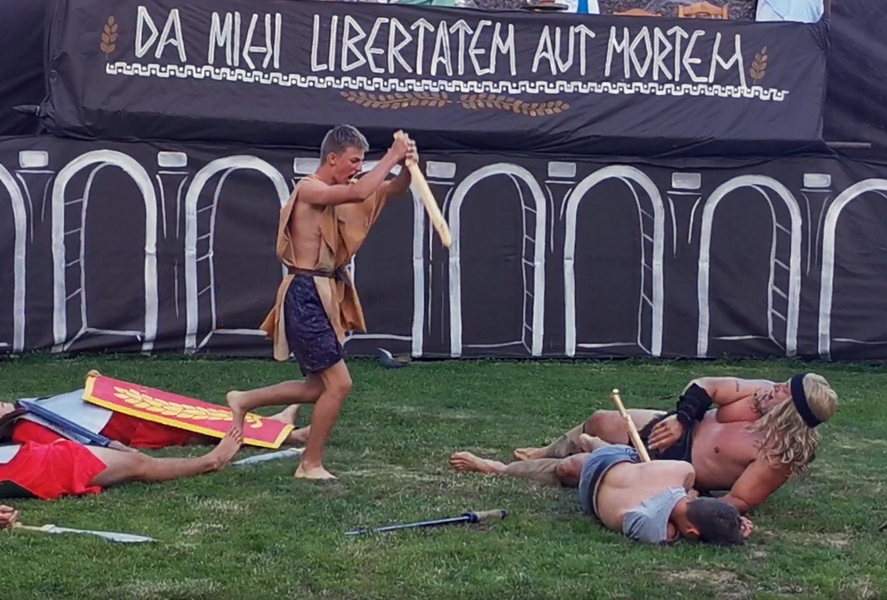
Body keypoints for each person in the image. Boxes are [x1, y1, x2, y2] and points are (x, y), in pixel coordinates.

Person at [226, 124, 417, 480]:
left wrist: (406, 166)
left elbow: (392, 190)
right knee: (339, 384)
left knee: (318, 387)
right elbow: (361, 191)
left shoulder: (342, 190)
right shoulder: (310, 189)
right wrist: (391, 156)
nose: (358, 167)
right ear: (332, 158)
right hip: (305, 294)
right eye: (353, 160)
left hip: (324, 293)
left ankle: (244, 400)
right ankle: (309, 464)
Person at [450, 373, 838, 513]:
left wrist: (686, 506)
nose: (775, 388)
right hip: (679, 430)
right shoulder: (761, 394)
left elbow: (739, 500)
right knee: (601, 420)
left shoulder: (778, 455)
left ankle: (499, 469)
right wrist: (683, 419)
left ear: (791, 412)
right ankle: (550, 448)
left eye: (784, 392)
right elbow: (706, 385)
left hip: (672, 469)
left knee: (573, 469)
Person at [0, 429, 243, 528]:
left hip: (46, 460)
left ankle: (204, 453)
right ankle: (210, 462)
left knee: (135, 461)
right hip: (52, 469)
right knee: (140, 465)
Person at [0, 391, 309, 450]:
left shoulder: (27, 410)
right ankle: (287, 436)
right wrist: (115, 447)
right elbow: (68, 447)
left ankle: (271, 423)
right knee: (193, 430)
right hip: (119, 427)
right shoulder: (23, 430)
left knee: (195, 413)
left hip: (117, 409)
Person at [575, 435, 751, 546]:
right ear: (692, 532)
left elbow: (687, 488)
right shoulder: (657, 527)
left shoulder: (683, 471)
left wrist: (729, 518)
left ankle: (591, 442)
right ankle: (587, 448)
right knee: (574, 468)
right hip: (589, 495)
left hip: (613, 456)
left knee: (599, 459)